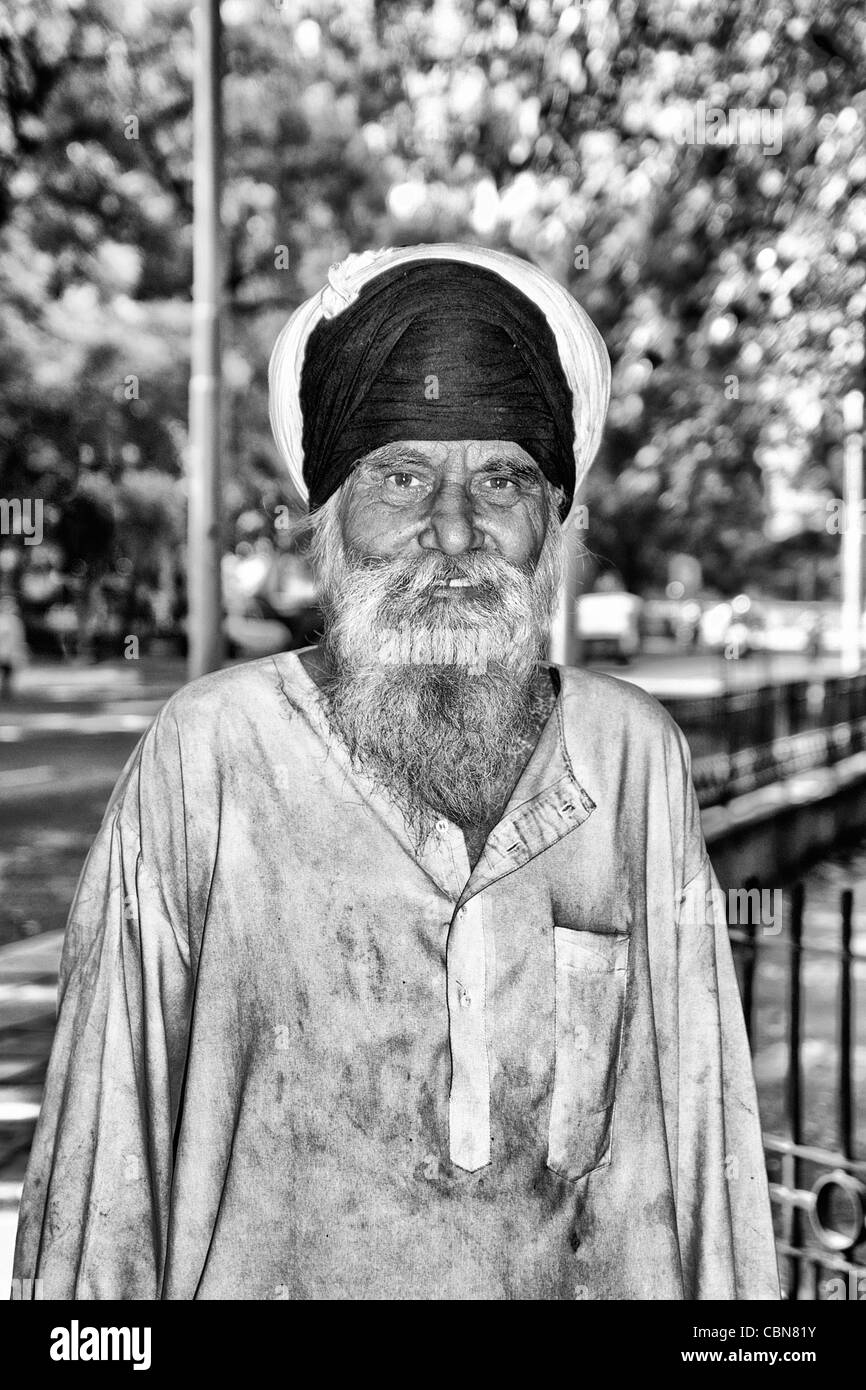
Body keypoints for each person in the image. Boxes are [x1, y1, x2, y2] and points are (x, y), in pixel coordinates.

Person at [12, 244, 779, 1300]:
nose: (453, 529)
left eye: (501, 478)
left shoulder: (626, 757)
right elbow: (103, 1177)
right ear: (329, 518)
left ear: (549, 523)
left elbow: (700, 1161)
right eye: (401, 476)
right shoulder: (212, 754)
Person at [0, 595, 28, 699]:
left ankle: (7, 694)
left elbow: (19, 638)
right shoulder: (2, 620)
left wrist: (21, 650)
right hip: (3, 652)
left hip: (12, 653)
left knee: (9, 674)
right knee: (5, 673)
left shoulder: (16, 621)